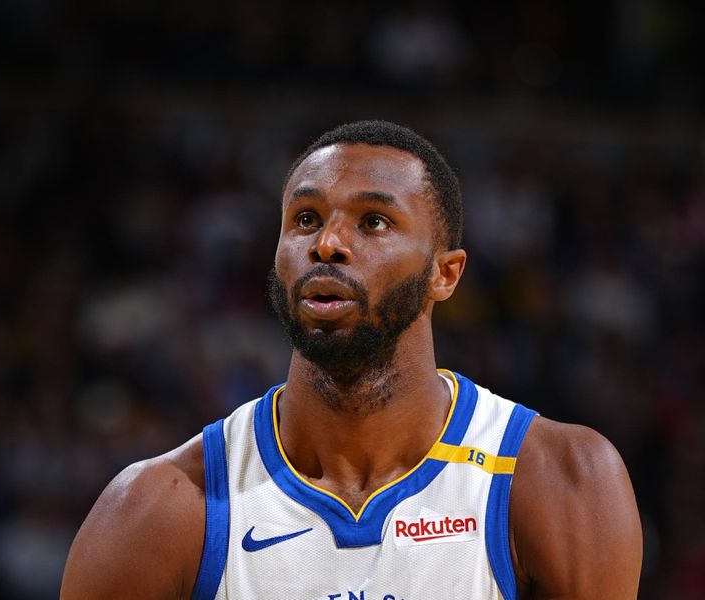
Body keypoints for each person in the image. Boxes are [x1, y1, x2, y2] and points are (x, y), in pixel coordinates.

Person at [61, 120, 642, 599]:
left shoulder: (559, 479)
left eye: (374, 222)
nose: (327, 243)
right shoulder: (157, 511)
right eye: (306, 219)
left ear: (445, 273)